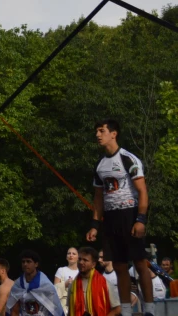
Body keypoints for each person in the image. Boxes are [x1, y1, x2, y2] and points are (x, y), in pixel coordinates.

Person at [86, 119, 154, 316]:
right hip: (111, 218)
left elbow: (142, 191)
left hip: (130, 213)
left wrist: (140, 219)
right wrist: (94, 225)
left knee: (140, 263)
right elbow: (98, 198)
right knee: (119, 265)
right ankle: (126, 310)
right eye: (96, 131)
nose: (98, 135)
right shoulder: (99, 165)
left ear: (113, 133)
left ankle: (149, 309)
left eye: (102, 131)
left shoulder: (128, 159)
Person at [8, 250, 64, 316]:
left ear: (36, 264)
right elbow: (14, 311)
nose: (25, 264)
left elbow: (55, 310)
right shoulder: (18, 285)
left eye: (28, 261)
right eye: (23, 262)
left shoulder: (46, 285)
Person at [67, 247, 120, 316]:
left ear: (93, 264)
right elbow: (70, 311)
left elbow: (117, 309)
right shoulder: (73, 285)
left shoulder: (104, 283)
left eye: (85, 260)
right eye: (79, 259)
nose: (81, 262)